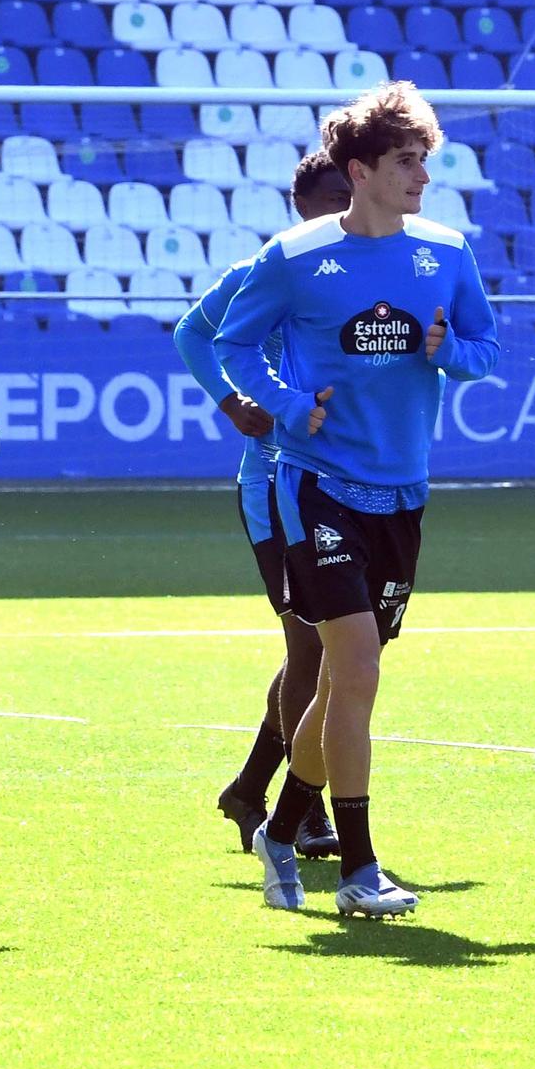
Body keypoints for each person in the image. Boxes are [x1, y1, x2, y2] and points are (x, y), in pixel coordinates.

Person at [215, 83, 499, 918]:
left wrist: (451, 354)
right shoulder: (296, 256)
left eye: (425, 161)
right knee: (358, 670)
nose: (421, 176)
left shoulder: (446, 251)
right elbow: (231, 343)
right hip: (316, 485)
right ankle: (359, 868)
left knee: (345, 683)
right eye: (407, 162)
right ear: (361, 169)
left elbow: (484, 349)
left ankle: (280, 830)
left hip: (403, 490)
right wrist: (287, 407)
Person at [174, 150, 352, 860]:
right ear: (300, 203)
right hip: (275, 484)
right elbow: (194, 331)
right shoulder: (270, 268)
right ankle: (300, 811)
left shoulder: (370, 268)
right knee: (315, 646)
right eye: (332, 194)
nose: (343, 204)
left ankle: (254, 791)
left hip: (343, 480)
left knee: (327, 649)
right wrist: (229, 402)